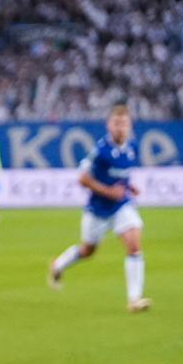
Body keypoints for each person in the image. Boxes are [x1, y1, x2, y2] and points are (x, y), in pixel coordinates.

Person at [49, 105, 148, 312]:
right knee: (87, 250)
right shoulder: (100, 150)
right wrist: (107, 191)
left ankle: (134, 299)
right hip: (98, 209)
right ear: (108, 125)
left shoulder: (133, 147)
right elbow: (83, 178)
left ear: (129, 125)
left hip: (121, 205)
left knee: (133, 244)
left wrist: (128, 186)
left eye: (124, 123)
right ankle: (58, 265)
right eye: (116, 123)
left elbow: (122, 173)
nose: (120, 127)